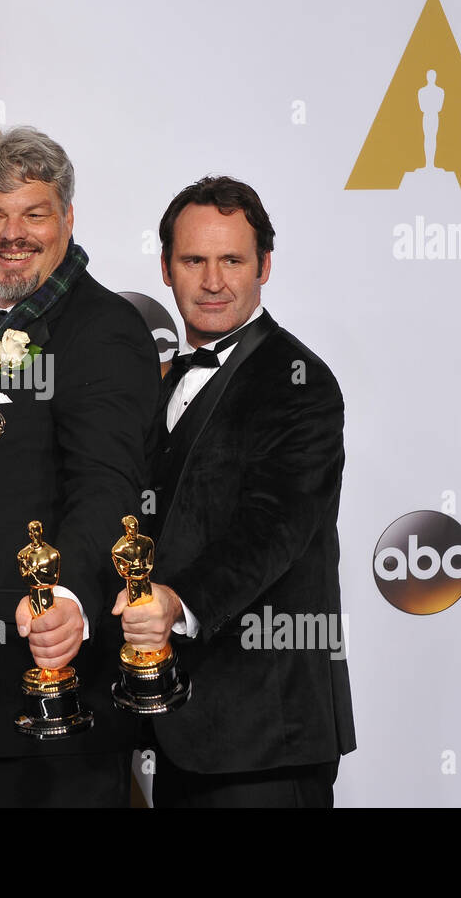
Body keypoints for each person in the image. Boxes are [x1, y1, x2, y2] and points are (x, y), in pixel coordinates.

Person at [0, 126, 159, 807]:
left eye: (34, 213)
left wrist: (69, 599)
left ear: (68, 220)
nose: (11, 233)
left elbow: (110, 486)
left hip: (48, 695)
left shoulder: (102, 330)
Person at [115, 175, 356, 807]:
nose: (213, 281)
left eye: (233, 261)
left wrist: (178, 602)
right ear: (166, 269)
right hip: (173, 726)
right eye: (194, 260)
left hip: (266, 737)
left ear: (265, 267)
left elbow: (273, 529)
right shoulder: (157, 384)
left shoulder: (298, 382)